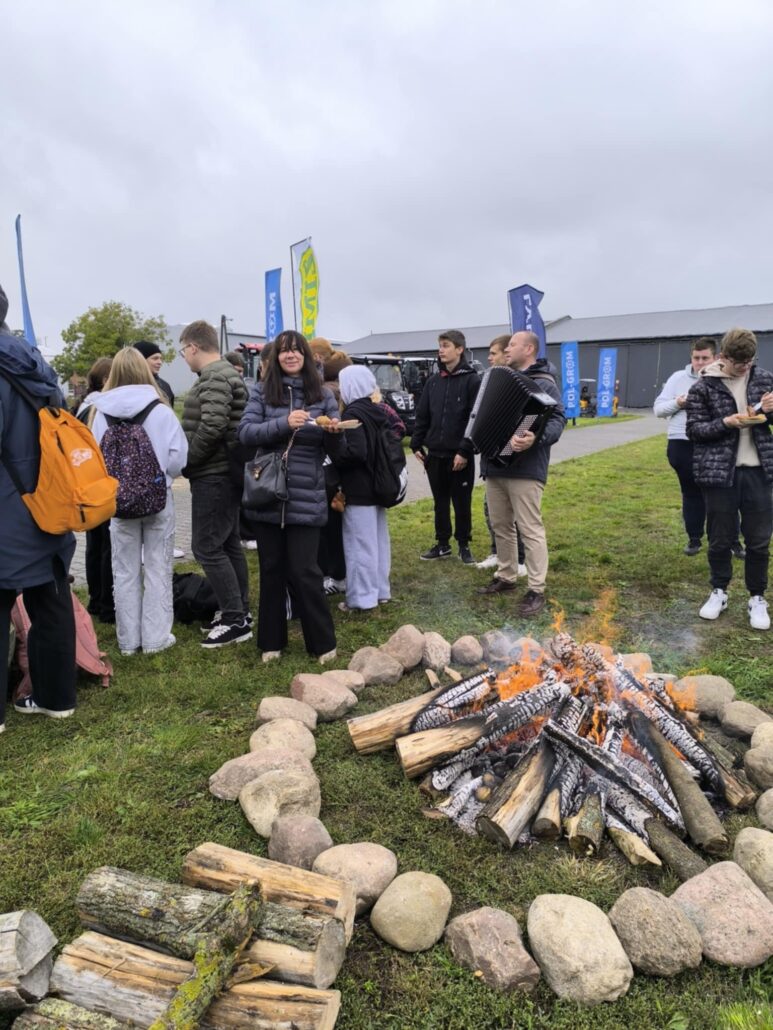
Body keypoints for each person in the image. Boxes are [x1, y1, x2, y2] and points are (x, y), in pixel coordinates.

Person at [0, 283, 77, 727]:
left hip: (6, 506)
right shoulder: (36, 365)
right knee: (51, 600)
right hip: (50, 500)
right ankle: (56, 698)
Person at [238, 330, 339, 663]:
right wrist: (284, 423)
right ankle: (271, 642)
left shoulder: (322, 395)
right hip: (268, 491)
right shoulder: (262, 393)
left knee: (306, 570)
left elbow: (338, 448)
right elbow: (246, 433)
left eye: (297, 350)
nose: (291, 355)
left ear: (307, 357)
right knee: (271, 569)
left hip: (307, 493)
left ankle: (322, 643)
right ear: (276, 357)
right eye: (284, 351)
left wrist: (334, 432)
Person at [91, 348, 188, 655]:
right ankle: (156, 638)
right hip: (158, 500)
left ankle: (128, 639)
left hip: (118, 503)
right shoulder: (160, 410)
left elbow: (94, 459)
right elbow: (178, 460)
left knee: (124, 570)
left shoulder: (99, 412)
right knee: (159, 567)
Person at [686, 328, 773, 629]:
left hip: (759, 471)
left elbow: (766, 418)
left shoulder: (764, 379)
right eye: (739, 362)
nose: (745, 367)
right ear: (724, 357)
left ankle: (757, 597)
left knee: (759, 541)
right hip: (719, 473)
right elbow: (694, 430)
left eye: (749, 361)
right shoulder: (704, 387)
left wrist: (770, 410)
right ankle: (719, 591)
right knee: (721, 539)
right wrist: (727, 422)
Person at [477, 331, 566, 617]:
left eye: (512, 345)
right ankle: (506, 576)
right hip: (495, 464)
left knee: (530, 528)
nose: (507, 349)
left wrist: (534, 439)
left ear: (528, 349)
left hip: (527, 468)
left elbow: (557, 420)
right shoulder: (498, 378)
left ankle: (536, 588)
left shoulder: (545, 382)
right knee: (501, 525)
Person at [180, 320, 251, 648]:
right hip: (224, 471)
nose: (184, 357)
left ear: (193, 347)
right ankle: (238, 610)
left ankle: (235, 619)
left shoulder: (214, 376)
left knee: (206, 546)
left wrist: (188, 459)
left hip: (214, 473)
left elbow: (212, 423)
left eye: (183, 351)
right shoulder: (223, 374)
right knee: (226, 543)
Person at [654, 338, 745, 559]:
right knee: (691, 493)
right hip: (681, 442)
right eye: (696, 358)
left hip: (714, 441)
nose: (700, 362)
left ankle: (732, 540)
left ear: (716, 358)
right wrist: (679, 403)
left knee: (724, 493)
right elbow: (658, 409)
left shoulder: (724, 379)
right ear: (691, 358)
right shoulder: (678, 378)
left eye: (705, 358)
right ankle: (694, 539)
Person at [325, 366, 393, 612]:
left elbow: (355, 453)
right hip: (378, 486)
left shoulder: (353, 412)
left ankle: (362, 598)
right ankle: (381, 590)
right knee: (378, 543)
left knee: (358, 546)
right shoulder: (376, 410)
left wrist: (332, 441)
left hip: (359, 489)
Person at [410, 329, 480, 564]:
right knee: (440, 501)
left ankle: (464, 544)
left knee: (461, 502)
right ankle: (442, 544)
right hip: (435, 455)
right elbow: (422, 415)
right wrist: (416, 443)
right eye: (440, 345)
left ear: (459, 349)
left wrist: (464, 451)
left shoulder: (472, 380)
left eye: (446, 345)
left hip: (459, 455)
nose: (441, 350)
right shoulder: (433, 381)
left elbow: (475, 418)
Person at [477, 334, 526, 576]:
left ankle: (521, 559)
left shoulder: (522, 382)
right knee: (494, 513)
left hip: (516, 464)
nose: (489, 358)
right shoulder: (489, 381)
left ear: (507, 354)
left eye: (494, 353)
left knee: (517, 516)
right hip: (492, 462)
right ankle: (499, 553)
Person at [77, 357, 115, 623]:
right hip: (100, 483)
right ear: (105, 380)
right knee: (105, 546)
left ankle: (95, 598)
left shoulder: (83, 406)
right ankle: (105, 603)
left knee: (95, 544)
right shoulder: (99, 408)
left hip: (85, 485)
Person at [133, 340, 175, 406]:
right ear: (141, 360)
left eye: (161, 358)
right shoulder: (128, 384)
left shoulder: (165, 386)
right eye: (155, 358)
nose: (160, 362)